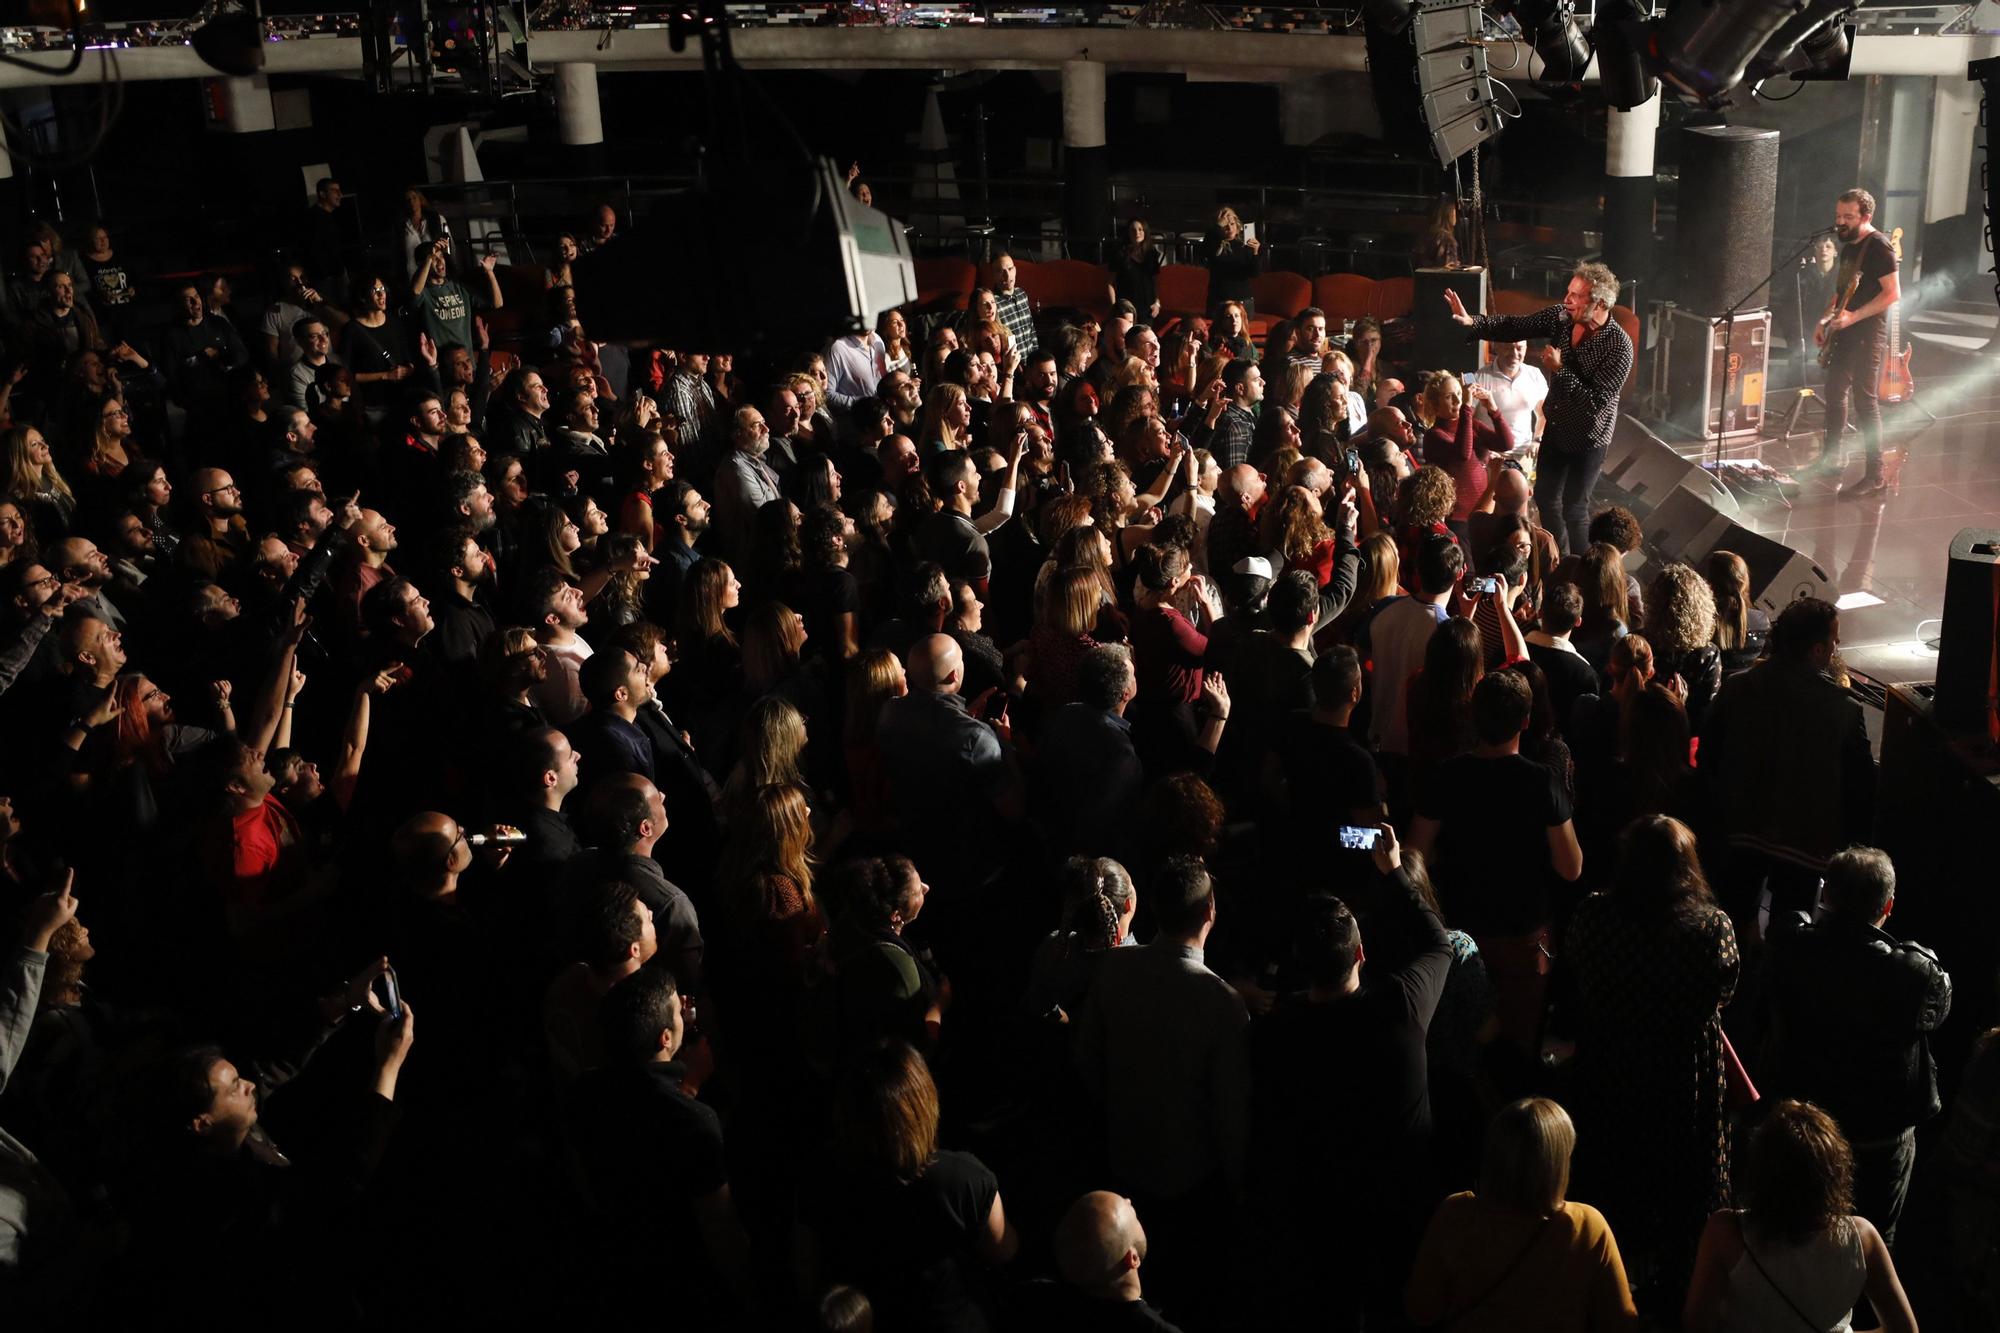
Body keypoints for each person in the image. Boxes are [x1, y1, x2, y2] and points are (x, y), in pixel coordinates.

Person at [1251, 823, 1452, 1328]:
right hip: (1397, 1197)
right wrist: (1395, 874)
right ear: (1361, 953)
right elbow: (1439, 945)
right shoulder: (1400, 1006)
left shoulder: (1278, 1029)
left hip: (1318, 1204)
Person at [1568, 815, 1739, 1309]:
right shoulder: (1710, 927)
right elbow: (1724, 992)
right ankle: (1677, 1291)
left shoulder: (1595, 914)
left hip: (1609, 1062)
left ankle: (1609, 1285)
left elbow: (1577, 969)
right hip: (1681, 1074)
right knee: (1678, 1185)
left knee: (1614, 1171)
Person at [1074, 855, 1248, 1329]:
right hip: (1191, 1184)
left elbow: (1088, 1063)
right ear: (1210, 912)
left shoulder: (1113, 969)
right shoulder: (1223, 1004)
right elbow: (1231, 1117)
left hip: (1123, 1165)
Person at [1764, 846, 1950, 1246]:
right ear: (1888, 905)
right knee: (1872, 1243)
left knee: (1794, 1231)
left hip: (1804, 1125)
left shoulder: (1790, 944)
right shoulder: (1913, 973)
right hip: (1877, 1138)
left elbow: (1787, 931)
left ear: (1826, 895)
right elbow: (1940, 1004)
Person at [1411, 670, 1582, 1056]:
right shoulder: (1543, 783)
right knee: (1517, 1049)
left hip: (1459, 927)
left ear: (1473, 716)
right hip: (1523, 935)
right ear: (1525, 721)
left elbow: (1415, 856)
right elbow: (1571, 867)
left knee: (1458, 1043)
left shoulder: (1446, 776)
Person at [801, 1040, 1017, 1331]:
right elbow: (1004, 1249)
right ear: (924, 1104)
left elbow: (804, 1265)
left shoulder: (820, 1175)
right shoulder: (962, 1178)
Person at [1701, 597, 1875, 921]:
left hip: (1739, 829)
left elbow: (1709, 754)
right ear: (1818, 650)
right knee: (1790, 932)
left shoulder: (1737, 687)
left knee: (1733, 919)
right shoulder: (1844, 710)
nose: (1837, 648)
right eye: (1834, 642)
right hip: (1806, 846)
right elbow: (1860, 786)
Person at [1683, 1100, 1918, 1333]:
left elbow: (1696, 1327)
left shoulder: (1726, 1233)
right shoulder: (1862, 1239)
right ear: (1834, 1173)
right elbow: (1905, 1329)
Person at [1406, 1097, 1640, 1331]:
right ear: (1557, 1163)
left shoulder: (1456, 1214)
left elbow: (1422, 1310)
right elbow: (1622, 1323)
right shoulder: (1587, 1225)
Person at [1446, 263, 1633, 554]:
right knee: (1546, 499)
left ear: (1600, 303)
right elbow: (1517, 325)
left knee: (1575, 508)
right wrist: (1475, 322)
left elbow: (1596, 405)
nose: (1567, 299)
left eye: (1577, 295)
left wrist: (1562, 370)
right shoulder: (1561, 318)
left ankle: (1583, 570)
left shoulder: (1619, 347)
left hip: (1588, 438)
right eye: (1568, 291)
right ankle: (1557, 559)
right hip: (1557, 429)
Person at [1807, 188, 1901, 498]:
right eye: (1838, 216)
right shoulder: (1848, 247)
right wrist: (1825, 320)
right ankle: (1831, 458)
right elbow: (1841, 292)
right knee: (1834, 392)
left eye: (1848, 217)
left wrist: (1854, 316)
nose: (1840, 223)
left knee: (1865, 401)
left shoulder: (1880, 248)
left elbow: (1892, 294)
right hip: (1845, 330)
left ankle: (1876, 476)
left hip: (1867, 333)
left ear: (1866, 217)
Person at [1467, 338, 1549, 448]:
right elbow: (1466, 419)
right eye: (1508, 348)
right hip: (1488, 454)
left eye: (1519, 348)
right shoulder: (1478, 377)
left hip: (1523, 454)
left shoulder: (1535, 375)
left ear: (1525, 349)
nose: (1514, 353)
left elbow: (1543, 413)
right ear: (1496, 347)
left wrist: (1537, 439)